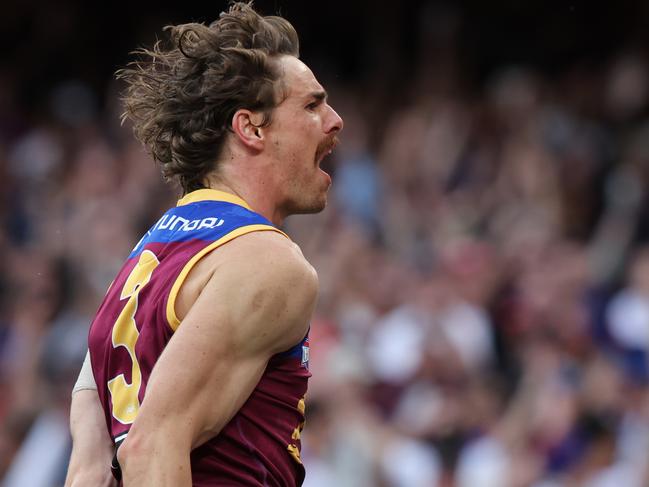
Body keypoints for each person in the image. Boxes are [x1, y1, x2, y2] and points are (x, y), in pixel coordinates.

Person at [63, 2, 343, 486]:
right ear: (251, 128)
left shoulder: (142, 262)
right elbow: (150, 448)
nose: (335, 120)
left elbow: (90, 462)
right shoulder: (267, 262)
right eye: (312, 105)